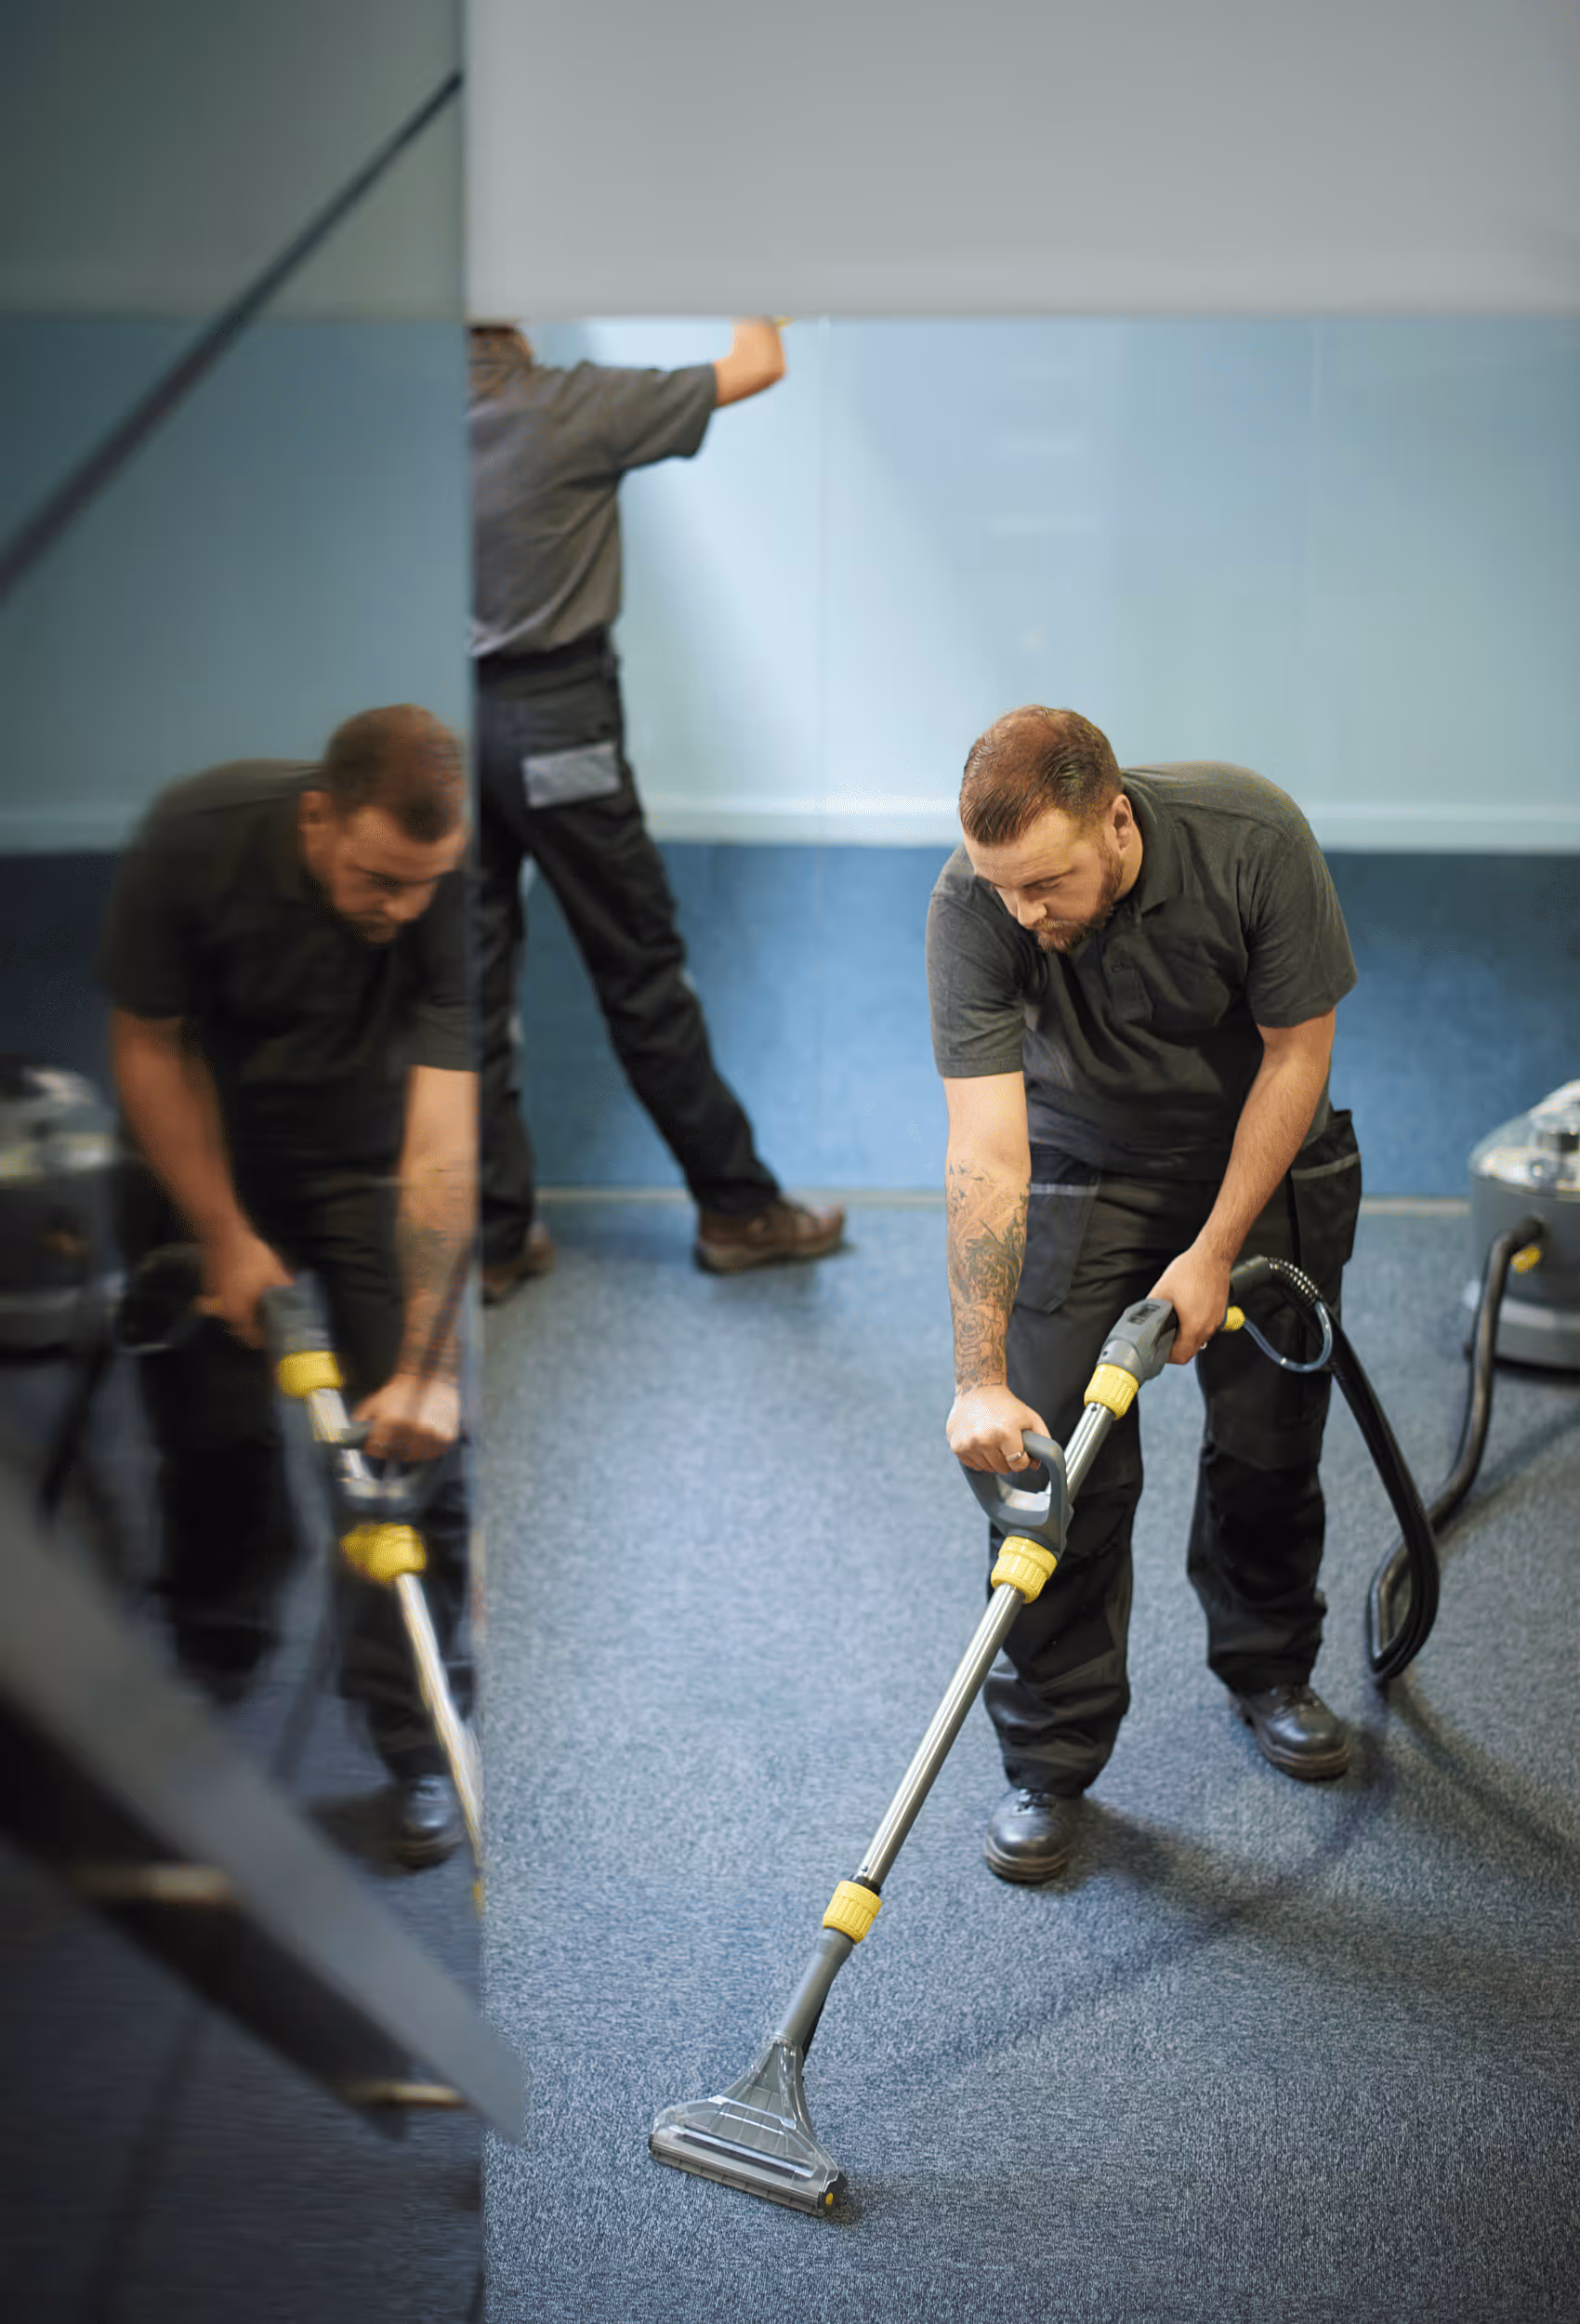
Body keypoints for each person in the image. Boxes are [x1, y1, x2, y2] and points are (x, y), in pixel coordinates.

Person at [928, 706, 1363, 1885]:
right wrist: (977, 1377)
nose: (1023, 913)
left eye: (1047, 883)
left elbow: (1295, 1053)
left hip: (1259, 1157)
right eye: (1002, 886)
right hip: (1082, 1165)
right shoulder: (974, 902)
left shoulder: (1249, 837)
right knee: (1048, 1458)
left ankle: (1268, 1663)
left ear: (1115, 821)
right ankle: (1049, 1758)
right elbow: (984, 1149)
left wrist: (1214, 1249)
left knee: (1270, 1439)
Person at [98, 706, 478, 1866]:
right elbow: (149, 1044)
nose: (401, 910)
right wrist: (220, 1235)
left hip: (368, 1156)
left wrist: (424, 1364)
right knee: (212, 1439)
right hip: (200, 1148)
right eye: (377, 880)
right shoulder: (196, 839)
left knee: (408, 1453)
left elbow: (442, 1139)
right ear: (318, 820)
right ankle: (213, 1662)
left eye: (423, 886)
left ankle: (417, 1745)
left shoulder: (451, 878)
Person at [468, 319, 845, 1297]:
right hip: (558, 726)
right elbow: (756, 363)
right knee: (637, 971)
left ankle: (497, 1237)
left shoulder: (391, 417)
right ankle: (736, 1209)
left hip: (442, 731)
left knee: (464, 987)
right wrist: (749, 267)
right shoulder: (566, 403)